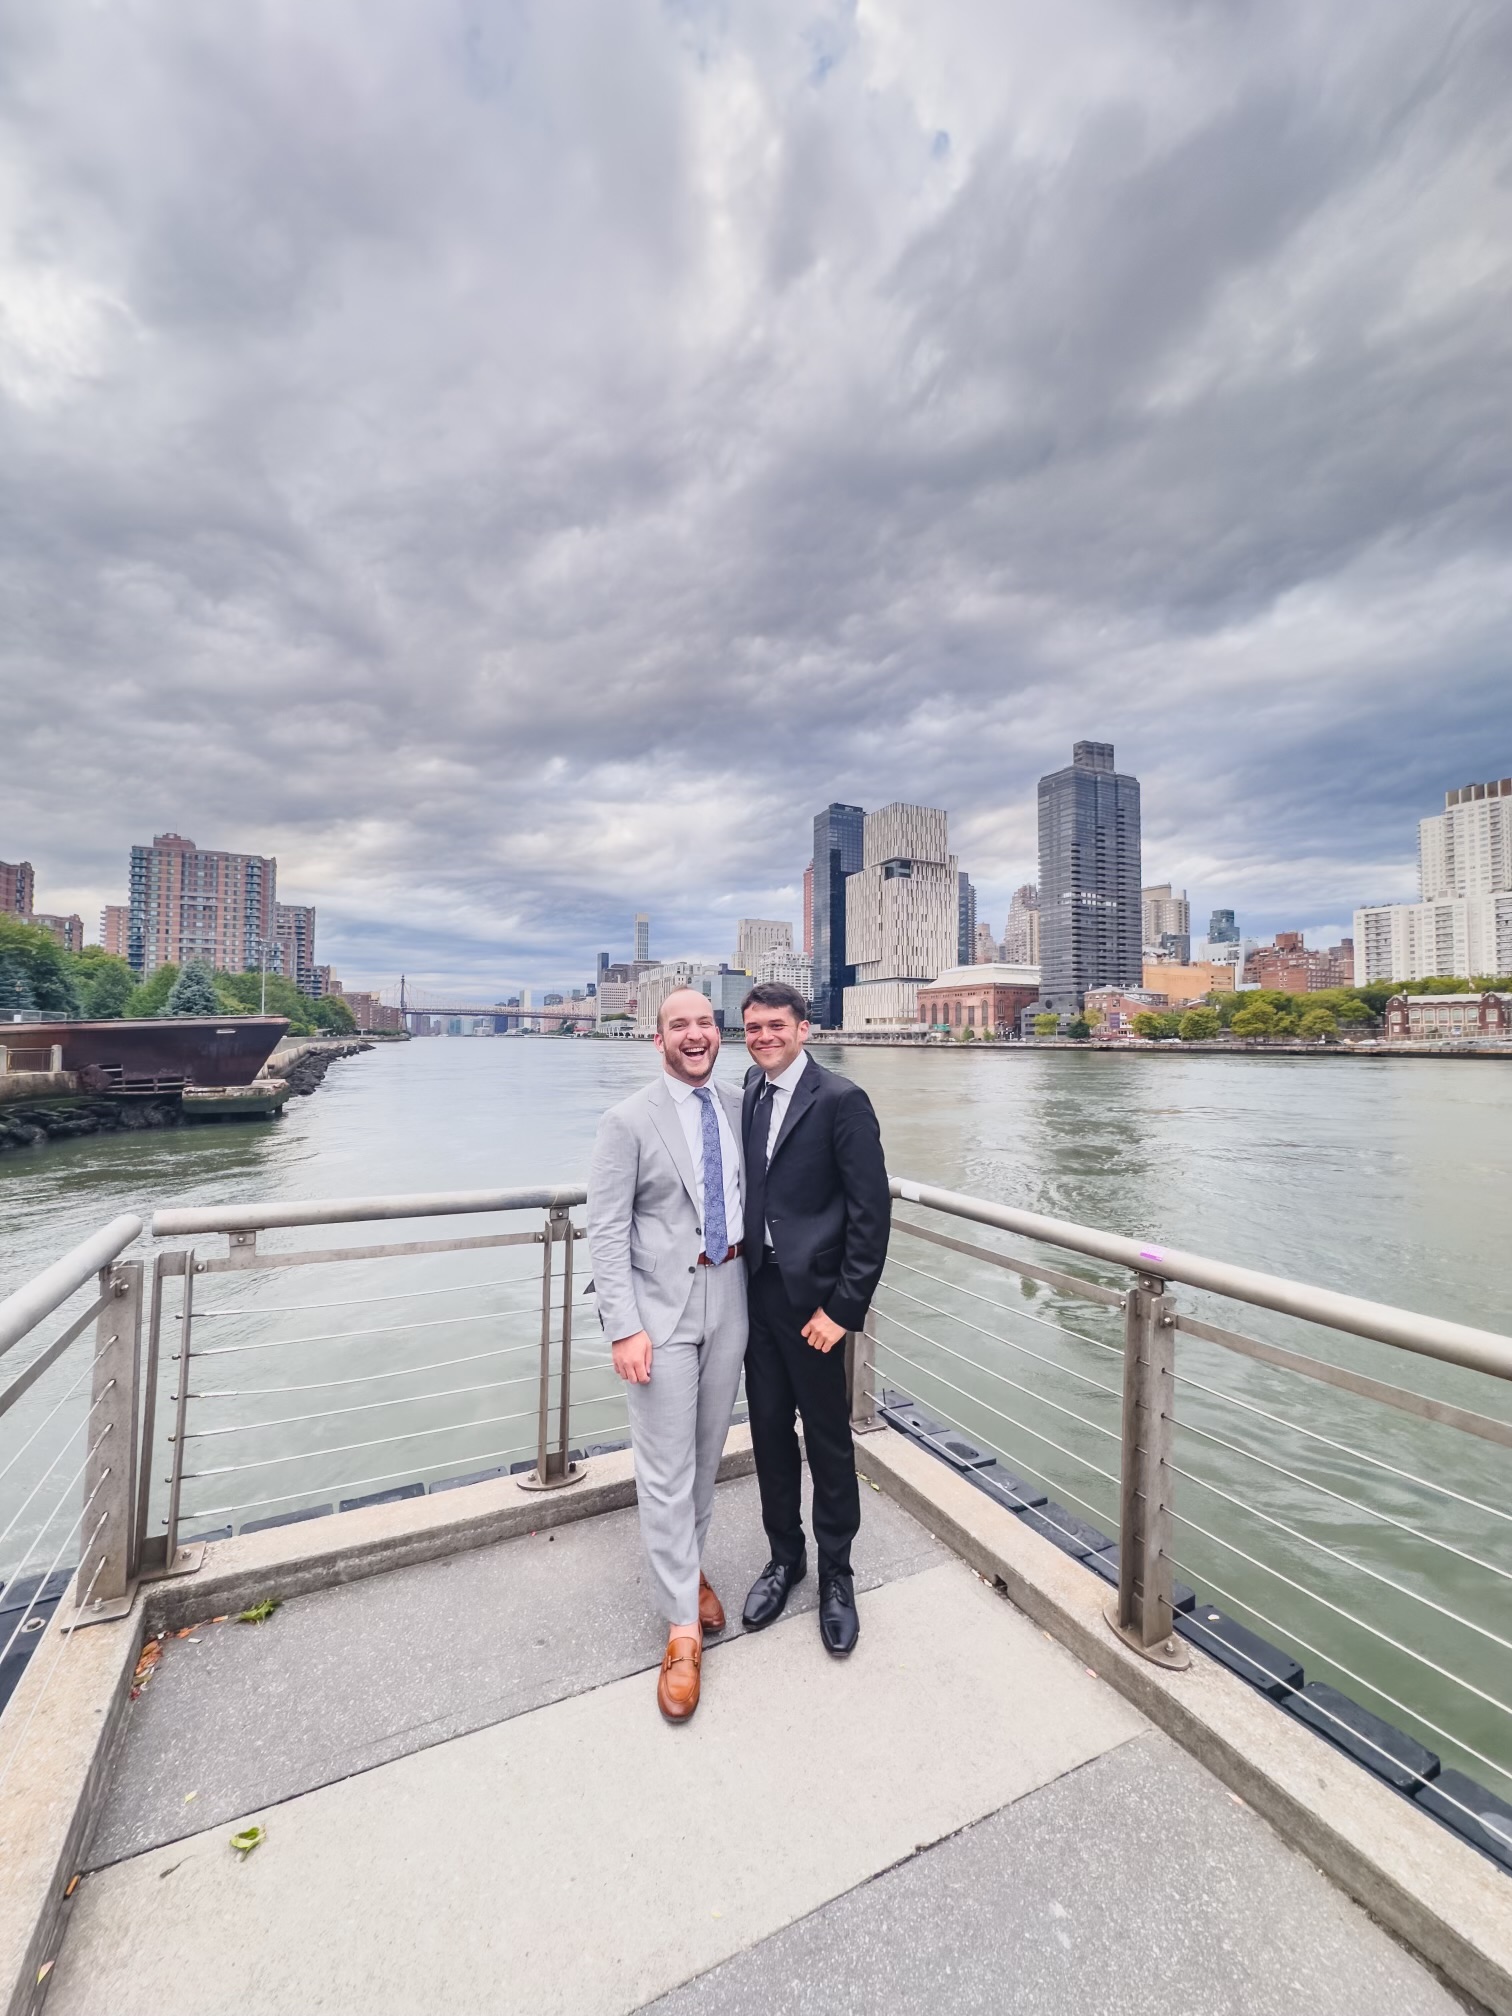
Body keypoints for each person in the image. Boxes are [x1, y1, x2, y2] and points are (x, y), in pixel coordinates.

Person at [587, 987, 747, 1724]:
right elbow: (606, 1230)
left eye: (704, 1023)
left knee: (706, 1458)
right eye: (678, 1024)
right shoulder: (627, 1122)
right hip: (660, 1312)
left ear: (720, 1035)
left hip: (733, 1294)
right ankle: (681, 1629)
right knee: (664, 1468)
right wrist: (623, 1327)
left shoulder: (739, 1104)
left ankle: (687, 1572)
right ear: (657, 1041)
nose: (694, 1034)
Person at [738, 981, 890, 1655]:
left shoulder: (842, 1101)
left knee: (827, 1439)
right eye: (753, 1027)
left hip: (816, 1306)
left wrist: (842, 1309)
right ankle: (784, 1558)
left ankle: (837, 1573)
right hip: (757, 1294)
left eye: (776, 1025)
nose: (764, 1036)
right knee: (768, 1433)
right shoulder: (749, 1089)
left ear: (805, 1029)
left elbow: (870, 1215)